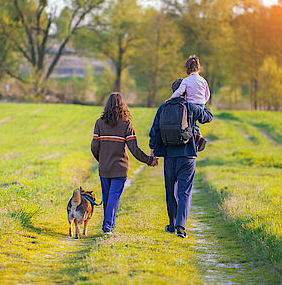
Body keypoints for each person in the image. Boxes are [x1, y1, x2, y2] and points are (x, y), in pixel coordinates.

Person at [150, 79, 213, 238]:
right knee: (184, 191)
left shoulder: (163, 108)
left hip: (170, 156)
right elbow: (208, 118)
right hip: (188, 155)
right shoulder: (190, 107)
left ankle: (171, 224)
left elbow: (155, 131)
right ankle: (180, 226)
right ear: (186, 91)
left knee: (170, 191)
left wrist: (154, 152)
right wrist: (200, 103)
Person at [91, 93, 158, 235]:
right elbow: (134, 149)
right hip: (120, 168)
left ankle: (110, 224)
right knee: (113, 197)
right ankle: (107, 227)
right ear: (123, 105)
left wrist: (101, 159)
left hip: (104, 168)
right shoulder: (126, 123)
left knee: (108, 197)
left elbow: (94, 147)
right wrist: (149, 160)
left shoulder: (99, 123)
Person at [166, 55, 210, 151]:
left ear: (187, 68)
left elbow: (179, 91)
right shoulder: (203, 80)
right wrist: (203, 102)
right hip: (201, 105)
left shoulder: (186, 80)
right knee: (194, 123)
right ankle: (199, 137)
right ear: (198, 68)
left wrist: (171, 98)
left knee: (190, 124)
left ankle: (198, 138)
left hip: (190, 105)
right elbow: (207, 94)